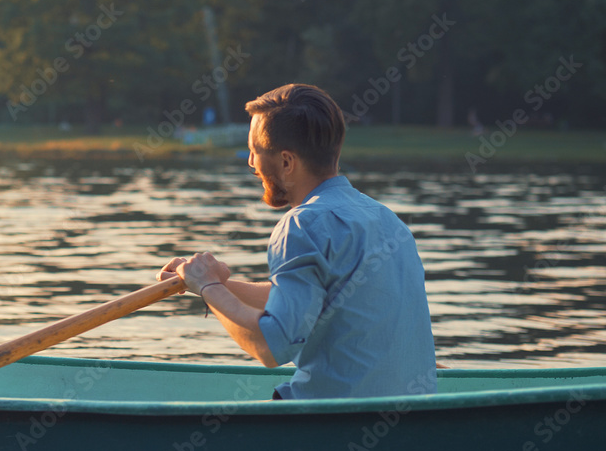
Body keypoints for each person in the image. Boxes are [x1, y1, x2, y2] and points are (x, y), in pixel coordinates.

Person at [158, 84, 437, 400]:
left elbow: (271, 346)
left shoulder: (302, 225)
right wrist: (205, 281)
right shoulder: (388, 220)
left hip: (334, 426)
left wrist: (210, 290)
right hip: (413, 417)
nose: (251, 162)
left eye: (256, 151)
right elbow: (311, 297)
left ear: (287, 162)